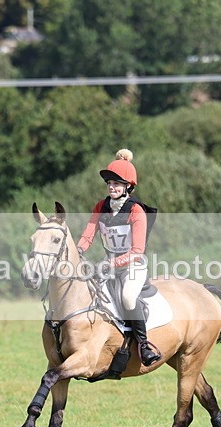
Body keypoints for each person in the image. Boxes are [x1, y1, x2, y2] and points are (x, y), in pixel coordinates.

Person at [77, 149, 160, 368]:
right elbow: (89, 234)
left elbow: (137, 251)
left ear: (128, 187)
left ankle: (143, 344)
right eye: (110, 183)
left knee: (128, 298)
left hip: (133, 266)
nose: (112, 187)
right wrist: (77, 251)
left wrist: (109, 264)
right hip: (109, 266)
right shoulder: (100, 207)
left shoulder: (136, 211)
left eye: (117, 183)